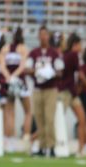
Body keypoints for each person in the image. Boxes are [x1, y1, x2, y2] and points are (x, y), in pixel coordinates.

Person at [28, 25, 63, 157]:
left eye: (45, 34)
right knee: (39, 118)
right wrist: (38, 71)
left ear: (48, 36)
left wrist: (50, 72)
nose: (43, 37)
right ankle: (42, 147)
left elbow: (60, 71)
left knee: (49, 118)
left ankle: (51, 146)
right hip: (37, 89)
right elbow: (27, 68)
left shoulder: (54, 53)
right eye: (41, 34)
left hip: (50, 89)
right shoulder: (34, 53)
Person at [3, 26, 32, 152]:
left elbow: (2, 66)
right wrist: (15, 76)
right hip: (20, 82)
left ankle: (9, 141)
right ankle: (26, 139)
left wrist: (9, 77)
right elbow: (23, 66)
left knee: (9, 111)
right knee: (28, 111)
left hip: (10, 82)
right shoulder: (23, 48)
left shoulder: (6, 48)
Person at [59, 33, 86, 155]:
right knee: (56, 119)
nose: (81, 47)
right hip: (65, 92)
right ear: (75, 44)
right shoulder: (73, 55)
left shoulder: (66, 54)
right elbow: (80, 74)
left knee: (82, 118)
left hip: (71, 92)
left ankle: (81, 149)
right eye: (80, 44)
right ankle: (33, 139)